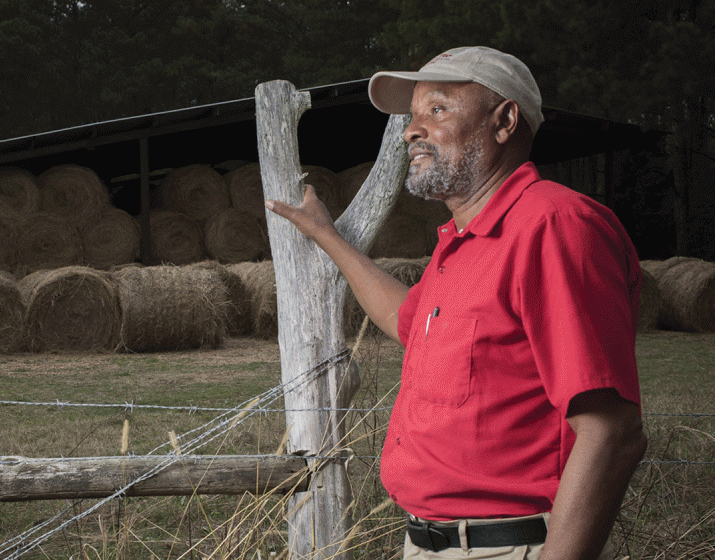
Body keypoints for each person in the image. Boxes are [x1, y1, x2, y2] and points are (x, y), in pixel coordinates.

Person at [265, 46, 647, 560]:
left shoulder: (551, 226)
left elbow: (611, 431)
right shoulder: (464, 242)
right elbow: (406, 320)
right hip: (428, 544)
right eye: (413, 116)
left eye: (438, 109)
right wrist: (327, 235)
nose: (411, 131)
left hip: (509, 547)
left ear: (505, 121)